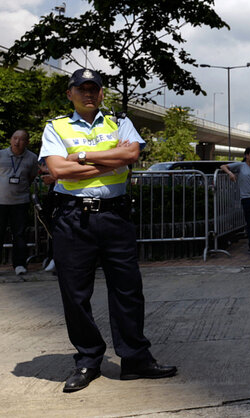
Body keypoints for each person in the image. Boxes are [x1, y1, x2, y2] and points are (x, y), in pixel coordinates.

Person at [39, 68, 176, 393]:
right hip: (73, 218)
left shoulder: (120, 122)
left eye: (94, 89)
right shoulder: (56, 126)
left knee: (128, 290)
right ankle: (87, 359)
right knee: (75, 294)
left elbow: (131, 154)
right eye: (81, 89)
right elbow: (57, 169)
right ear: (70, 93)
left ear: (102, 93)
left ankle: (135, 360)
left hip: (115, 217)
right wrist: (110, 160)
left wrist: (83, 156)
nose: (88, 94)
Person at [0, 130, 39, 275]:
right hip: (1, 201)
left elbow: (31, 176)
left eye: (21, 139)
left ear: (27, 142)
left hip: (20, 201)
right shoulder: (1, 154)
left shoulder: (32, 157)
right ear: (10, 139)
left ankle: (20, 264)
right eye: (14, 138)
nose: (17, 142)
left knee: (19, 234)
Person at [222, 146, 250, 256]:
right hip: (246, 199)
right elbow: (223, 166)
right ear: (246, 155)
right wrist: (230, 173)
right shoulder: (241, 166)